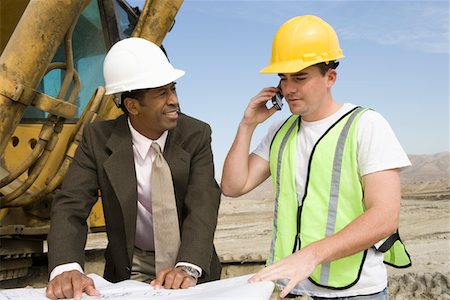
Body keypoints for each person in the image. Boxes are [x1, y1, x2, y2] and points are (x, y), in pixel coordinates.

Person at [221, 15, 411, 299]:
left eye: (300, 77)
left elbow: (385, 217)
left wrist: (312, 254)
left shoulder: (366, 124)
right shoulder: (279, 131)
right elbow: (234, 186)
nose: (289, 88)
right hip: (293, 289)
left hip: (355, 292)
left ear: (330, 78)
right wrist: (247, 124)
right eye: (284, 79)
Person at [46, 37, 222, 300]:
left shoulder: (196, 134)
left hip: (187, 263)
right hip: (129, 267)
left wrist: (188, 266)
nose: (174, 100)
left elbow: (203, 204)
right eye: (162, 94)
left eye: (173, 89)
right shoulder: (98, 139)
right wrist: (66, 267)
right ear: (132, 106)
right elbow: (71, 205)